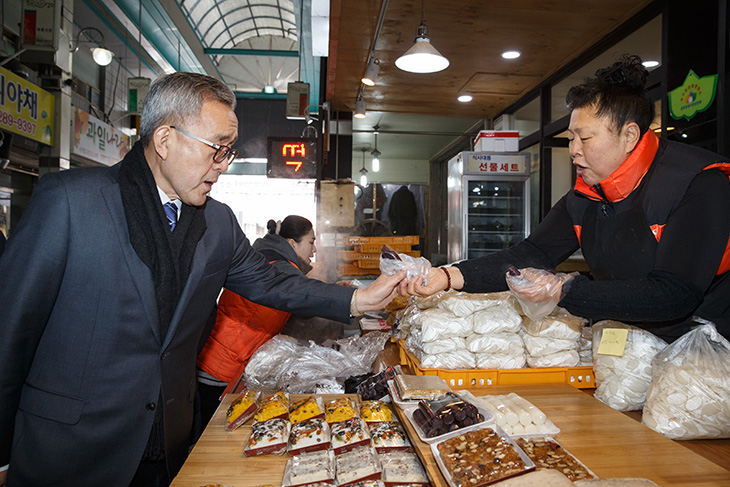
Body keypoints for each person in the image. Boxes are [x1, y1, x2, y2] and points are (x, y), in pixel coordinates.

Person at [0, 72, 403, 487]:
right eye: (217, 150)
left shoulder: (217, 222)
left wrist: (357, 301)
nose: (223, 165)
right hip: (69, 452)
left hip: (167, 446)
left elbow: (271, 283)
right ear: (165, 139)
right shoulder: (71, 201)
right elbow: (10, 331)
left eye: (228, 152)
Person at [400, 55, 730, 343]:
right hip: (631, 346)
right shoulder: (587, 193)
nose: (574, 150)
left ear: (629, 135)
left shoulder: (698, 183)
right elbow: (534, 252)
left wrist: (564, 290)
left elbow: (674, 294)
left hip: (706, 351)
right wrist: (448, 277)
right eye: (571, 138)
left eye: (584, 138)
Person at [196, 215, 318, 426]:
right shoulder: (278, 267)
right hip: (222, 365)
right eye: (311, 242)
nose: (314, 250)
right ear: (291, 244)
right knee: (211, 434)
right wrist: (349, 300)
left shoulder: (269, 258)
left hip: (221, 359)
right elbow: (303, 299)